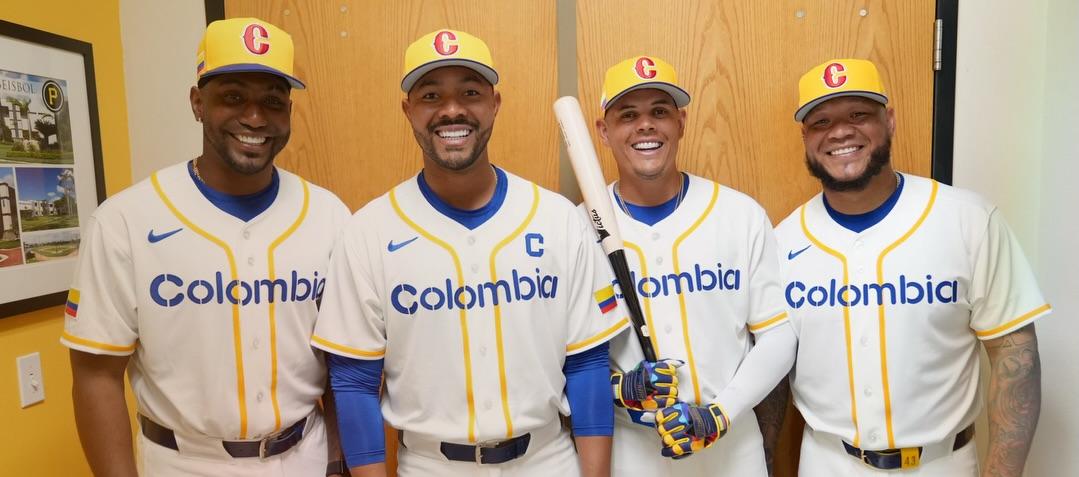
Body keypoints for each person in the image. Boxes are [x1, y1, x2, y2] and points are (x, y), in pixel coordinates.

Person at [311, 29, 627, 477]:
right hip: (430, 464)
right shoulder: (368, 231)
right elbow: (355, 382)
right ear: (408, 110)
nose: (452, 109)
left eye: (471, 92)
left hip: (547, 459)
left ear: (494, 104)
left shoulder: (557, 219)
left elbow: (587, 362)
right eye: (431, 94)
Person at [61, 17, 350, 477]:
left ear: (289, 113)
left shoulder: (329, 215)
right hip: (182, 462)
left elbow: (343, 363)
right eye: (233, 97)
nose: (254, 118)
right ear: (197, 103)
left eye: (273, 102)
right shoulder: (125, 221)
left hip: (305, 456)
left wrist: (339, 460)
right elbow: (95, 376)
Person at [776, 58, 1050, 476]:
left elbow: (1016, 355)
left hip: (944, 462)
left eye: (858, 115)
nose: (841, 131)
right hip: (828, 462)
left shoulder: (967, 219)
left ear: (889, 121)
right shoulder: (782, 241)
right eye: (821, 121)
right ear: (805, 137)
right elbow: (770, 371)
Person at [592, 56, 796, 476]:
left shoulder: (739, 215)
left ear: (681, 122)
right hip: (632, 453)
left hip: (732, 449)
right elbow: (562, 357)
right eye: (628, 115)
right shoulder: (578, 229)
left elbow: (777, 337)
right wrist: (619, 388)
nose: (645, 125)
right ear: (604, 132)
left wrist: (720, 414)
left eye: (660, 112)